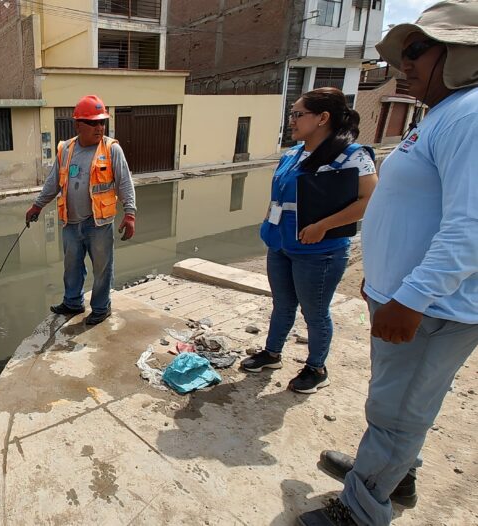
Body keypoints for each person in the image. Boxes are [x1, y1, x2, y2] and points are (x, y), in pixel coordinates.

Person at [297, 2, 478, 525]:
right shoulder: (444, 114)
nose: (406, 62)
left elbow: (470, 228)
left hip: (434, 307)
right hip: (408, 298)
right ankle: (394, 474)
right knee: (400, 405)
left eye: (418, 49)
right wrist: (382, 282)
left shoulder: (469, 117)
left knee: (397, 412)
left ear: (463, 51)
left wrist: (411, 296)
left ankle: (361, 508)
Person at [241, 87, 378, 394]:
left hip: (320, 251)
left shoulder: (352, 155)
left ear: (322, 118)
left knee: (314, 311)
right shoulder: (292, 154)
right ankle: (272, 353)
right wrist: (268, 222)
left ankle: (316, 368)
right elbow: (278, 197)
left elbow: (369, 199)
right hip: (281, 245)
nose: (291, 121)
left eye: (297, 114)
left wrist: (323, 226)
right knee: (282, 304)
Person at [25, 95, 136, 325]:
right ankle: (73, 303)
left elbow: (125, 182)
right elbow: (53, 181)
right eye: (93, 122)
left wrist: (130, 213)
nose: (99, 127)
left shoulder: (111, 149)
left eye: (102, 122)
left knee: (102, 268)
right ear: (78, 125)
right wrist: (37, 205)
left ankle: (101, 307)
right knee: (71, 266)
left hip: (99, 223)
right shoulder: (66, 149)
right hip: (71, 222)